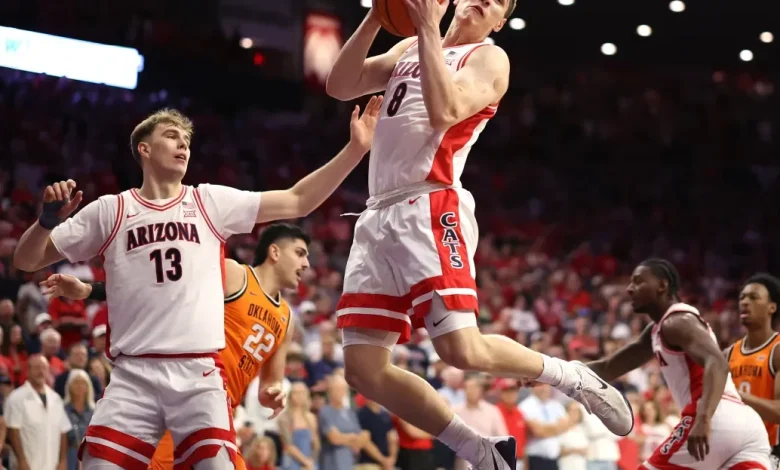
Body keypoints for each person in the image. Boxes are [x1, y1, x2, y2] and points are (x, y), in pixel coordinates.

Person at [325, 2, 633, 469]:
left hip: (430, 204)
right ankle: (479, 450)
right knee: (363, 369)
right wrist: (377, 16)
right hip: (377, 214)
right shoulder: (410, 46)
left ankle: (574, 377)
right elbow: (340, 85)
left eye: (495, 2)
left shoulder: (489, 58)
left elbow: (445, 108)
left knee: (460, 351)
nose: (482, 1)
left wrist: (427, 26)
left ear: (498, 22)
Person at [13, 96, 383, 470]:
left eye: (186, 140)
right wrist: (44, 222)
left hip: (198, 374)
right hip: (132, 375)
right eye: (171, 136)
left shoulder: (208, 201)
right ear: (144, 148)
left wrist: (355, 150)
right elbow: (26, 260)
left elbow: (297, 200)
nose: (183, 145)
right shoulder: (111, 209)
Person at [42, 223, 314, 470]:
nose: (307, 263)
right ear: (275, 252)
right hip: (183, 395)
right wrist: (91, 291)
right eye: (300, 253)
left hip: (219, 412)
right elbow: (159, 287)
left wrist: (272, 394)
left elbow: (271, 381)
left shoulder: (287, 319)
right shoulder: (235, 275)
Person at [576, 258, 771, 469]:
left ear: (662, 285)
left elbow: (718, 363)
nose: (630, 289)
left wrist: (703, 418)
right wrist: (548, 372)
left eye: (639, 282)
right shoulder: (657, 331)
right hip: (748, 426)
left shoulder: (676, 321)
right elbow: (608, 368)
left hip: (714, 415)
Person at [726, 273, 780, 462]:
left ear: (772, 307)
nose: (745, 302)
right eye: (742, 297)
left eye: (754, 297)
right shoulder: (728, 354)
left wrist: (736, 395)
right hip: (730, 451)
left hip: (769, 452)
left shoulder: (777, 350)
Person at [5, 354, 71, 470]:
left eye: (44, 368)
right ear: (28, 371)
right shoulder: (16, 398)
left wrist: (62, 461)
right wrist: (21, 460)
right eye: (36, 368)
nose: (41, 371)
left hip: (52, 464)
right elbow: (12, 431)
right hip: (27, 465)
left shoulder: (56, 398)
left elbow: (63, 431)